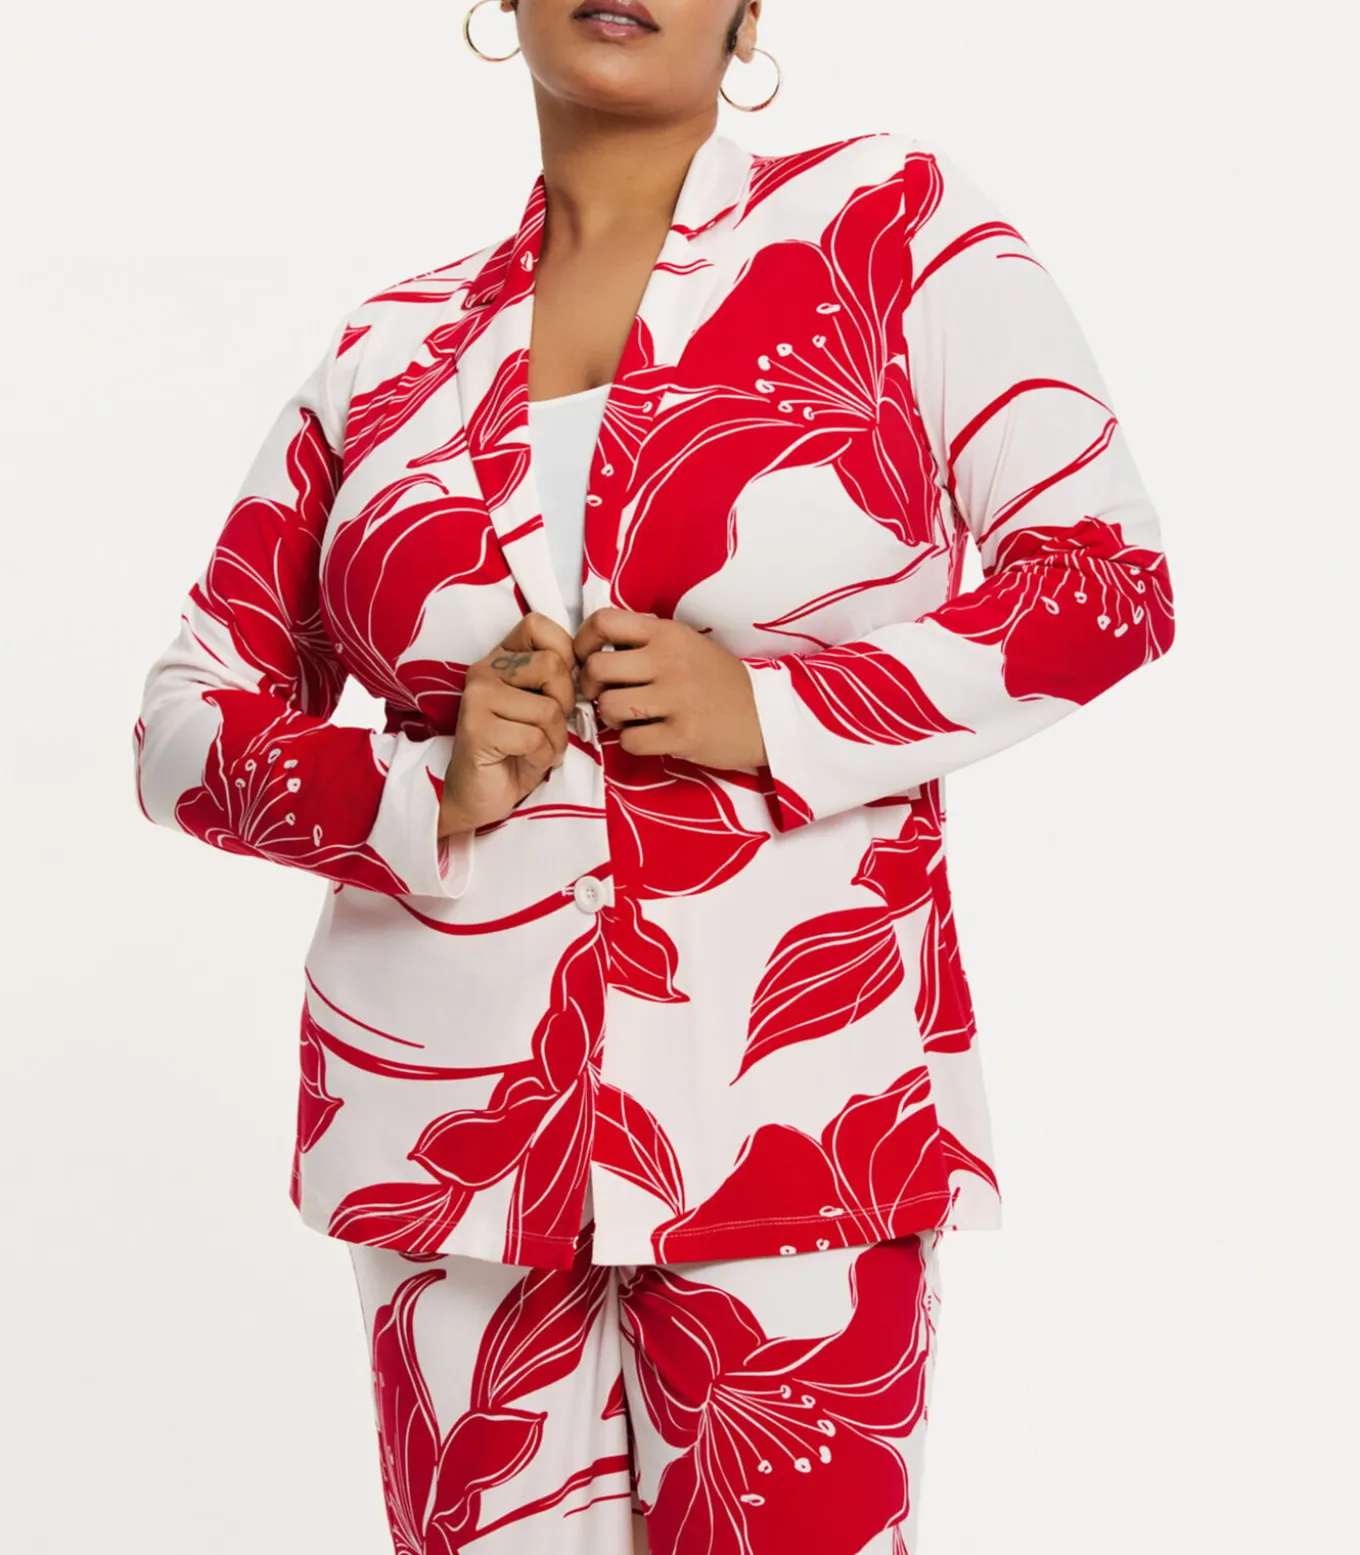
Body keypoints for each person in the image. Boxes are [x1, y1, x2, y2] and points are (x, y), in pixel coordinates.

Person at [130, 1, 1176, 1549]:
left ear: (750, 12)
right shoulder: (386, 353)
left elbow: (1105, 580)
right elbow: (181, 726)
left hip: (796, 1122)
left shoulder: (891, 231)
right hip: (451, 1149)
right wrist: (422, 788)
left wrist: (777, 711)